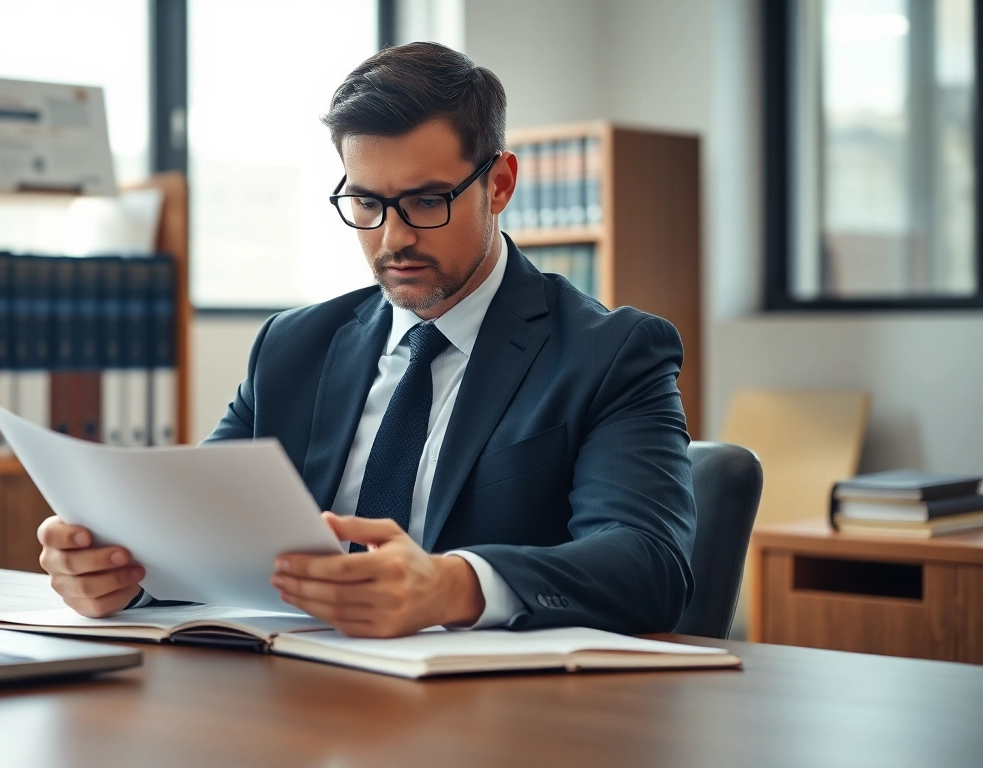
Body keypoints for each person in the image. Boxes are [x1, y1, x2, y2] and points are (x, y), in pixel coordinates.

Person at [37, 42, 696, 639]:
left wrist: (453, 586)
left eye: (427, 201)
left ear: (498, 185)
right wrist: (124, 574)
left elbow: (648, 565)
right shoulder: (294, 346)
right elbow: (198, 528)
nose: (393, 237)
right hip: (296, 699)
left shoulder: (612, 354)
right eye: (367, 203)